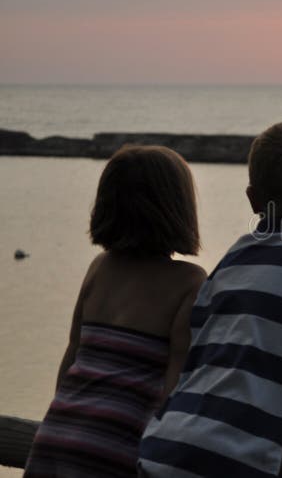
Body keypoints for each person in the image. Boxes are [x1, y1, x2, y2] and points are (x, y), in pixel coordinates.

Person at [138, 121, 282, 478]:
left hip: (163, 443)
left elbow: (196, 351)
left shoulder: (233, 257)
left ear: (252, 198)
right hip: (231, 457)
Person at [24, 145, 207, 478]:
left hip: (56, 437)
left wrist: (61, 418)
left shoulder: (99, 268)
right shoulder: (189, 282)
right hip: (119, 447)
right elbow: (175, 389)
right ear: (180, 209)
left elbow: (72, 356)